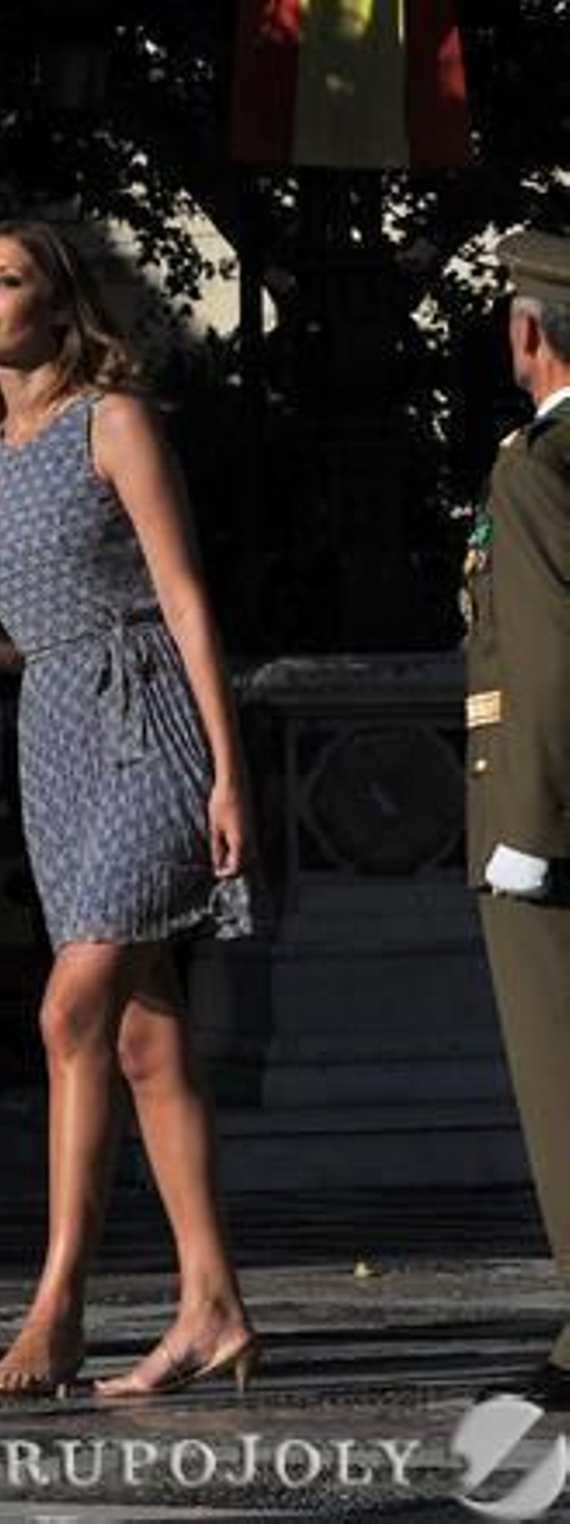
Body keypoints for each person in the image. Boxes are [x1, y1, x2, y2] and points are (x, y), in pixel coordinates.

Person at [0, 219, 257, 1400]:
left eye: (11, 281)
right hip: (55, 741)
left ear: (59, 304)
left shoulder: (117, 420)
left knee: (65, 1015)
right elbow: (35, 639)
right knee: (142, 1036)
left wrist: (229, 768)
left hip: (149, 725)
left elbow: (185, 599)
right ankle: (212, 1309)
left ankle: (60, 1308)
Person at [464, 228, 570, 1413]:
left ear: (527, 332)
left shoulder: (533, 465)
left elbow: (544, 652)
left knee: (559, 1080)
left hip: (552, 811)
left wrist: (530, 824)